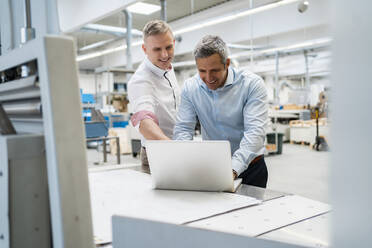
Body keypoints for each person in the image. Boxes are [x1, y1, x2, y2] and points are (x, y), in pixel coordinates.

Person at [173, 35, 268, 188]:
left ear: (227, 64)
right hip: (213, 166)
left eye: (214, 70)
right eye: (202, 71)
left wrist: (232, 169)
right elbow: (183, 128)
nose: (208, 77)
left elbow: (255, 133)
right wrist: (184, 160)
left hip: (251, 168)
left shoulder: (251, 85)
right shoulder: (190, 88)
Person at [128, 20, 180, 169]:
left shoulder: (169, 69)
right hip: (157, 152)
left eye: (168, 47)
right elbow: (144, 123)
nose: (164, 55)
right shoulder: (141, 80)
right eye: (157, 49)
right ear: (145, 49)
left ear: (174, 43)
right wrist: (176, 149)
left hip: (176, 145)